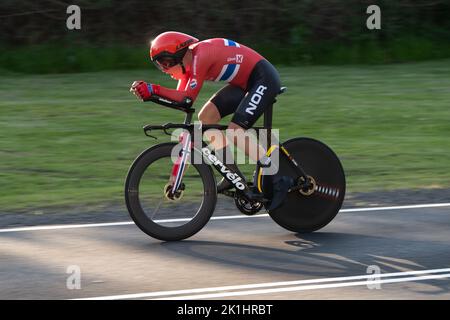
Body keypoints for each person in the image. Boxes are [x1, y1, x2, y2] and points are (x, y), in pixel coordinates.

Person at [130, 31, 291, 209]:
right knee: (206, 117)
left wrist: (153, 89)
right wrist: (150, 95)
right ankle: (233, 175)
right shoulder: (190, 66)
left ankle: (275, 173)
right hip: (245, 83)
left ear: (179, 55)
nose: (164, 69)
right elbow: (182, 103)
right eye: (160, 65)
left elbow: (187, 99)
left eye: (165, 63)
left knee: (235, 131)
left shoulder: (201, 56)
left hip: (263, 78)